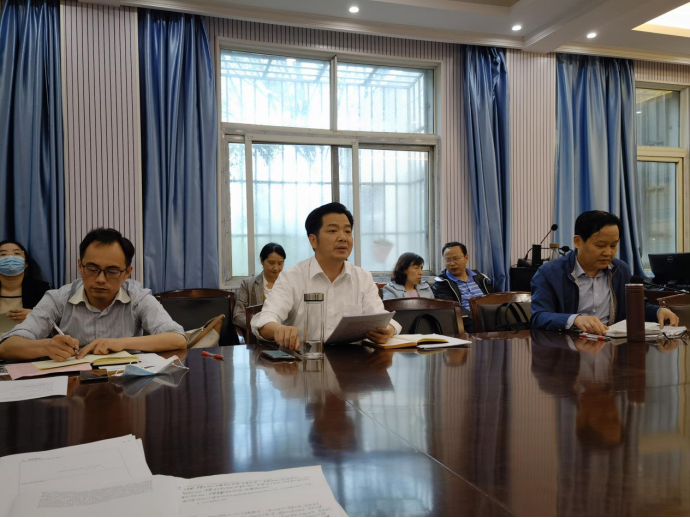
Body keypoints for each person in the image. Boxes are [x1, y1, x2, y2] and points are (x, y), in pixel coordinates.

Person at [0, 228, 187, 361]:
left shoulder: (138, 297)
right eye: (92, 269)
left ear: (127, 273)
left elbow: (177, 338)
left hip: (123, 386)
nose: (100, 279)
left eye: (112, 271)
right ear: (80, 266)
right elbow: (7, 347)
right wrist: (46, 346)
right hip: (73, 389)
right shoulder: (57, 299)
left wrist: (121, 343)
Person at [251, 202, 401, 349]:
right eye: (333, 231)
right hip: (304, 360)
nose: (343, 238)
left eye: (347, 231)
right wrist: (278, 329)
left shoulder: (363, 278)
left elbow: (380, 318)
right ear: (313, 240)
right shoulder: (292, 277)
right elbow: (265, 320)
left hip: (354, 361)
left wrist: (388, 329)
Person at [531, 210, 679, 333]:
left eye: (613, 246)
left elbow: (636, 307)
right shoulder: (549, 273)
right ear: (578, 242)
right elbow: (539, 316)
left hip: (612, 346)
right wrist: (575, 319)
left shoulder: (620, 270)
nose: (608, 253)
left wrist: (658, 311)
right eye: (600, 245)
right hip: (567, 347)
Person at [432, 242, 493, 332]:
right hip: (467, 324)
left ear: (466, 258)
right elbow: (451, 309)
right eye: (447, 260)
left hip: (490, 318)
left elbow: (493, 300)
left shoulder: (481, 278)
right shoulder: (442, 283)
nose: (452, 264)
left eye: (456, 259)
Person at [233, 243, 286, 331]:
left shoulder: (288, 284)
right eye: (271, 263)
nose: (276, 268)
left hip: (284, 333)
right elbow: (237, 315)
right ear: (262, 260)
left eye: (280, 263)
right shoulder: (248, 284)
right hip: (256, 335)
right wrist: (257, 326)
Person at [0, 240, 51, 323]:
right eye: (3, 254)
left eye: (16, 253)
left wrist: (35, 316)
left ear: (26, 263)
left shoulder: (43, 289)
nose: (10, 258)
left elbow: (55, 320)